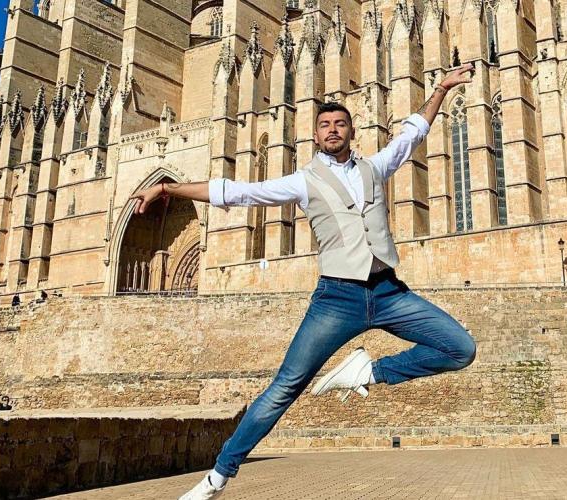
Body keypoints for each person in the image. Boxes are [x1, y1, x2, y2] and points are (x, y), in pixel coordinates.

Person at [130, 64, 477, 500]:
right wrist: (168, 189)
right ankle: (218, 476)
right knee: (285, 387)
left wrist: (441, 88)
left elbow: (413, 133)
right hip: (338, 298)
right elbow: (236, 192)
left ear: (352, 131)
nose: (333, 130)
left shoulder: (375, 167)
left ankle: (368, 371)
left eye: (340, 124)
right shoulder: (303, 182)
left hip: (389, 291)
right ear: (315, 136)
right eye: (325, 125)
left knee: (460, 348)